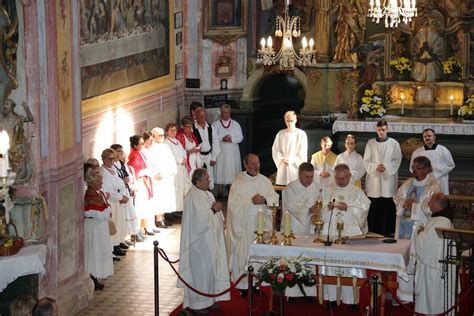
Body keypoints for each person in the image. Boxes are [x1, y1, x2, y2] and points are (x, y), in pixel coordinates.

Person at [178, 168, 230, 313]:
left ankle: (209, 299)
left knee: (210, 271)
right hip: (199, 244)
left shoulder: (207, 194)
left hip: (210, 242)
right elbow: (198, 222)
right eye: (206, 179)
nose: (209, 181)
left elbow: (214, 212)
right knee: (200, 273)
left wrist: (221, 219)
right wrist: (214, 210)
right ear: (198, 181)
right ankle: (198, 303)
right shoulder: (193, 196)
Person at [226, 154, 279, 296]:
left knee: (259, 256)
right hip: (244, 226)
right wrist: (250, 202)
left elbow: (275, 198)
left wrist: (266, 200)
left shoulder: (265, 181)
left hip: (261, 224)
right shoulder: (238, 182)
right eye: (253, 164)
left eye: (258, 163)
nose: (256, 166)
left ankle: (256, 284)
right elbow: (232, 205)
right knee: (244, 253)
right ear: (246, 165)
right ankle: (243, 286)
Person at [320, 164, 370, 308]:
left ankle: (351, 300)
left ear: (349, 176)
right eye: (337, 178)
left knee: (350, 265)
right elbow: (321, 208)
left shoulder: (357, 192)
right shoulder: (328, 190)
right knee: (330, 264)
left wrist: (348, 208)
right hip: (331, 234)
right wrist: (327, 208)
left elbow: (364, 209)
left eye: (343, 178)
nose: (340, 181)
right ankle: (330, 298)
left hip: (350, 234)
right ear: (334, 176)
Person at [393, 156, 441, 302]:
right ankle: (404, 294)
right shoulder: (408, 183)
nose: (414, 170)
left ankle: (419, 293)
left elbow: (432, 208)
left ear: (427, 169)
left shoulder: (433, 186)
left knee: (416, 259)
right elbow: (397, 198)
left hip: (419, 228)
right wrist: (403, 203)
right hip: (403, 226)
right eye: (413, 167)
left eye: (418, 167)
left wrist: (414, 206)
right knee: (403, 259)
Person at [414, 193, 455, 315]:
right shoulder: (441, 220)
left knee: (432, 298)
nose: (429, 202)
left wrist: (420, 233)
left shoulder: (440, 222)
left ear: (437, 204)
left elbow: (427, 245)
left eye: (431, 200)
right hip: (436, 266)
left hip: (434, 271)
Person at [363, 120, 402, 237]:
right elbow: (366, 161)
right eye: (379, 130)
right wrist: (375, 167)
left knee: (387, 205)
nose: (381, 132)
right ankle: (373, 231)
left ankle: (387, 231)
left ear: (387, 130)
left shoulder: (394, 143)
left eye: (383, 130)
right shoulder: (370, 143)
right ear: (376, 130)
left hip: (388, 179)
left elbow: (397, 160)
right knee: (374, 205)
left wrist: (386, 167)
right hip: (374, 180)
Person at [84, 170, 114, 290]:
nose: (102, 184)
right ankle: (93, 277)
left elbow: (106, 210)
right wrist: (108, 210)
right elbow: (101, 214)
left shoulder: (98, 193)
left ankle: (96, 276)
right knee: (94, 252)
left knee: (99, 250)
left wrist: (107, 210)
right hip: (94, 228)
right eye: (100, 182)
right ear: (93, 183)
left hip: (100, 227)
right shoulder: (91, 196)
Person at [100, 148, 129, 257]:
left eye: (113, 159)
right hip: (111, 202)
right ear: (103, 159)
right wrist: (119, 197)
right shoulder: (102, 172)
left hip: (119, 201)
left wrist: (124, 194)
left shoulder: (113, 169)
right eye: (110, 159)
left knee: (119, 223)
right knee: (112, 225)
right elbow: (106, 190)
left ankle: (117, 244)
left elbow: (120, 183)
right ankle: (111, 248)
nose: (112, 161)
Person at [410, 128, 455, 195]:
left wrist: (435, 170)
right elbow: (412, 167)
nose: (427, 138)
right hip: (424, 181)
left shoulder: (443, 150)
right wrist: (423, 173)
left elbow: (450, 164)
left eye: (429, 136)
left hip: (440, 180)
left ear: (434, 137)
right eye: (425, 136)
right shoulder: (417, 152)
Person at [212, 104, 243, 197]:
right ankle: (220, 192)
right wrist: (222, 138)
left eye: (228, 112)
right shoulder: (215, 124)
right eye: (224, 112)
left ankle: (231, 192)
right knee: (220, 169)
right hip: (220, 152)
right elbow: (213, 137)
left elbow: (240, 137)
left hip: (232, 152)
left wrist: (231, 139)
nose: (226, 114)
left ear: (230, 113)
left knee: (231, 170)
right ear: (221, 113)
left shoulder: (235, 124)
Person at [127, 135, 155, 236]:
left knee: (146, 206)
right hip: (140, 183)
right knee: (140, 207)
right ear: (135, 145)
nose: (143, 145)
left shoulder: (140, 152)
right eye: (141, 143)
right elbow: (135, 172)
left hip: (145, 181)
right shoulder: (134, 155)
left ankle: (147, 227)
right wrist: (146, 171)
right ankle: (137, 230)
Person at [150, 127, 178, 227]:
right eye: (159, 135)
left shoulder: (165, 146)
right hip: (159, 178)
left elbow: (171, 158)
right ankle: (158, 219)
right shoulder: (152, 148)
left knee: (166, 198)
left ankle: (163, 217)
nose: (162, 137)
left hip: (167, 176)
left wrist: (173, 170)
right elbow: (151, 163)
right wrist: (156, 173)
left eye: (163, 135)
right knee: (159, 198)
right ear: (153, 136)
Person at [282, 162, 321, 234]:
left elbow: (319, 203)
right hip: (293, 226)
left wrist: (315, 213)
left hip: (309, 225)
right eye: (306, 177)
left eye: (311, 177)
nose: (309, 180)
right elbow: (291, 207)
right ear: (299, 175)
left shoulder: (316, 187)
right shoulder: (290, 188)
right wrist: (309, 211)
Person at [272, 111, 308, 185]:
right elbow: (275, 149)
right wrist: (282, 159)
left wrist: (292, 160)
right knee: (283, 189)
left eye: (291, 121)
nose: (289, 123)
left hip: (295, 167)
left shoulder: (301, 134)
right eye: (287, 121)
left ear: (295, 120)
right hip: (283, 166)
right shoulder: (280, 133)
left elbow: (302, 152)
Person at [164, 122, 191, 220]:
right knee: (176, 189)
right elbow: (169, 156)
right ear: (167, 132)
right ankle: (173, 211)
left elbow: (183, 151)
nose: (174, 132)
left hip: (181, 169)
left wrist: (184, 159)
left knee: (182, 189)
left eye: (175, 130)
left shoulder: (177, 141)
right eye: (171, 130)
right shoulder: (166, 143)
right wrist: (180, 160)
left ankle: (179, 209)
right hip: (175, 169)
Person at [193, 108, 220, 190]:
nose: (202, 118)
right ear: (196, 116)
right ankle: (198, 190)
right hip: (198, 155)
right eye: (199, 116)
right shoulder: (193, 128)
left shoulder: (210, 127)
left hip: (208, 154)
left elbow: (215, 142)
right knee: (198, 174)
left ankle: (210, 191)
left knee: (209, 174)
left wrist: (214, 157)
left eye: (203, 116)